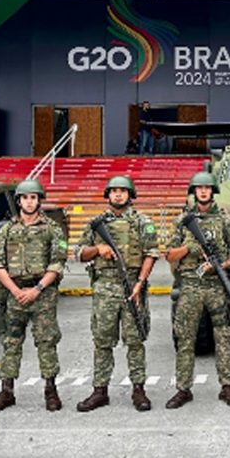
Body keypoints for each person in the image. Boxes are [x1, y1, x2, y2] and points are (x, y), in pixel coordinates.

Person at [75, 176, 159, 412]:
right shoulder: (96, 223)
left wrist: (140, 283)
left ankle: (139, 390)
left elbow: (151, 253)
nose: (118, 195)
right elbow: (78, 253)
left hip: (133, 286)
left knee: (135, 341)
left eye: (123, 191)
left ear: (130, 194)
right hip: (105, 288)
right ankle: (100, 390)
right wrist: (97, 249)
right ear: (108, 195)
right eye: (114, 191)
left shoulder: (142, 222)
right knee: (102, 342)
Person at [0, 179, 68, 413]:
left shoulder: (52, 228)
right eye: (25, 197)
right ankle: (6, 391)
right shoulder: (7, 230)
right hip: (15, 293)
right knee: (11, 342)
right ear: (19, 201)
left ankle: (51, 390)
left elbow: (58, 263)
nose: (29, 201)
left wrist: (37, 289)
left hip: (43, 293)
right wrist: (15, 291)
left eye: (34, 197)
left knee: (46, 342)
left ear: (39, 200)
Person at [164, 172, 230, 409]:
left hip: (217, 285)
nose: (203, 192)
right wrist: (190, 247)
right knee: (185, 338)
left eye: (207, 188)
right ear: (193, 192)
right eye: (199, 188)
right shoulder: (182, 221)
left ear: (213, 191)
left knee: (223, 337)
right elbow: (169, 254)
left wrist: (221, 265)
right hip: (190, 285)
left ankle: (227, 387)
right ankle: (183, 389)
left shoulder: (225, 220)